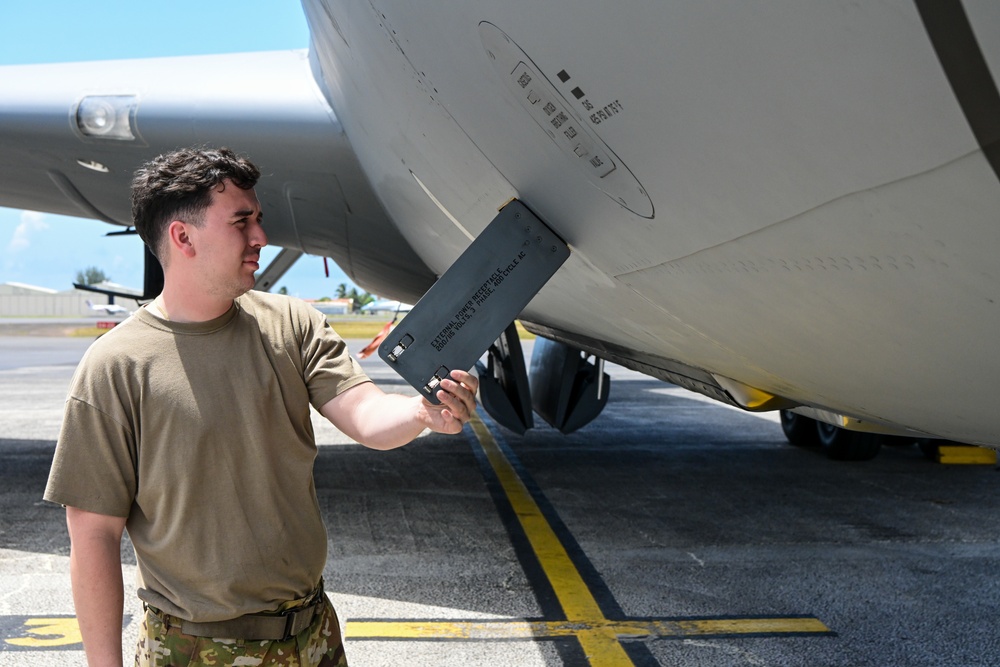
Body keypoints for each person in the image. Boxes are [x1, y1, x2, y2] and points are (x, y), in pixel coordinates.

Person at [43, 146, 479, 667]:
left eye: (259, 219)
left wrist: (420, 414)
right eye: (241, 222)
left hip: (311, 635)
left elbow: (365, 416)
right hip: (191, 649)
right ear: (183, 237)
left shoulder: (292, 326)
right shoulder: (114, 367)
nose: (261, 238)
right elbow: (93, 538)